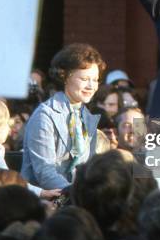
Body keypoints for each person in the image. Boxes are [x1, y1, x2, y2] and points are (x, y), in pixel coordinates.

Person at [21, 43, 106, 190]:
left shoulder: (86, 116)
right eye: (85, 79)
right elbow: (45, 174)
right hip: (46, 202)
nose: (91, 86)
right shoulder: (45, 115)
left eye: (95, 80)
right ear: (65, 77)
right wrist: (77, 196)